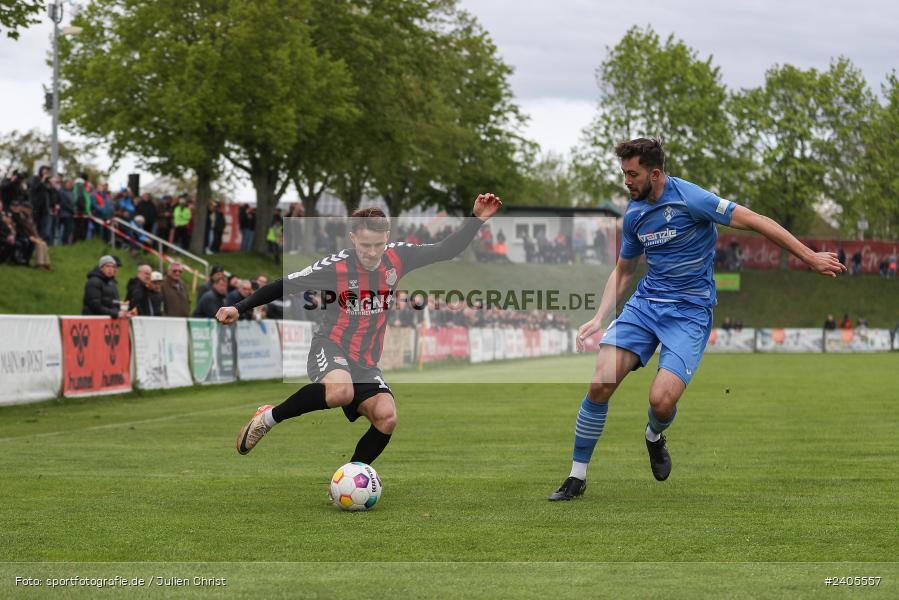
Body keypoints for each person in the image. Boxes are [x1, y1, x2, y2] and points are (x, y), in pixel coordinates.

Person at [548, 138, 846, 501]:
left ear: (655, 174)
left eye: (632, 173)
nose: (626, 180)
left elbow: (756, 221)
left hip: (690, 312)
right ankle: (576, 477)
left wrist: (809, 257)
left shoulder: (692, 199)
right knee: (600, 383)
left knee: (661, 401)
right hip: (645, 306)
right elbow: (624, 270)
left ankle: (654, 435)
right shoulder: (634, 214)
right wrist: (599, 317)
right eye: (624, 173)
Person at [217, 195, 502, 466]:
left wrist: (476, 218)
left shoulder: (398, 257)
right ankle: (268, 418)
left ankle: (352, 474)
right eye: (365, 245)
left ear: (386, 238)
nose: (371, 252)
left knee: (386, 417)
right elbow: (284, 284)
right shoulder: (336, 266)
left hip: (365, 361)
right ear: (353, 238)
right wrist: (239, 307)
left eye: (378, 244)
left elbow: (446, 250)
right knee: (340, 391)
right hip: (331, 346)